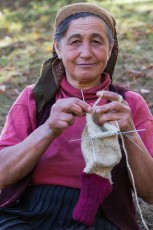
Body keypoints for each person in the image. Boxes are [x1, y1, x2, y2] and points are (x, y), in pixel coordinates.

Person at [0, 2, 153, 230]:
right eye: (74, 42)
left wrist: (129, 131)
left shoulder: (129, 104)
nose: (86, 52)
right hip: (27, 214)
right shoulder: (35, 98)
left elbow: (150, 193)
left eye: (97, 42)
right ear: (58, 48)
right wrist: (48, 128)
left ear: (111, 49)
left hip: (102, 218)